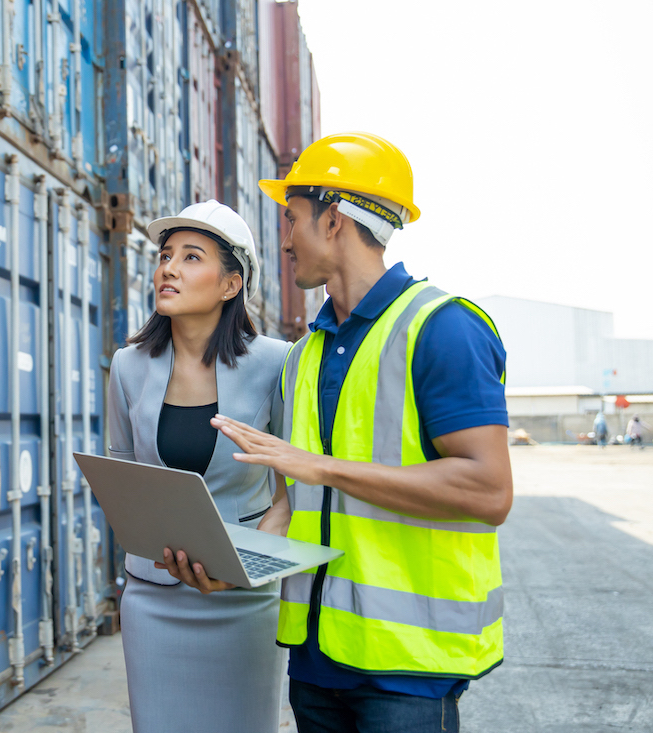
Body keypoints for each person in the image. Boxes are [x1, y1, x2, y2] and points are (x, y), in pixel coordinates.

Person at [176, 132, 513, 732]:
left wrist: (323, 467)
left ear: (332, 220)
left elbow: (488, 492)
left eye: (292, 219)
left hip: (408, 670)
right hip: (316, 660)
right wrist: (234, 564)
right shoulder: (304, 357)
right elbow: (291, 507)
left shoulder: (442, 329)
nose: (284, 240)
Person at [106, 200, 291, 733]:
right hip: (154, 597)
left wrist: (249, 563)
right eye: (165, 255)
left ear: (231, 284)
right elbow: (123, 470)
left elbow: (293, 490)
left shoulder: (278, 362)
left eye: (191, 257)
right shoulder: (127, 366)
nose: (168, 268)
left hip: (244, 601)